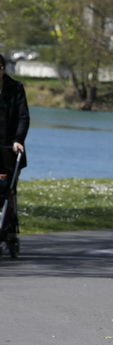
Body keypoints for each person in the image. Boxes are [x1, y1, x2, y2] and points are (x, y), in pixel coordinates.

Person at [0, 54, 29, 247]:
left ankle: (7, 229)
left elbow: (23, 117)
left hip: (9, 148)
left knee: (6, 191)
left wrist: (18, 139)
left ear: (2, 69)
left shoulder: (16, 88)